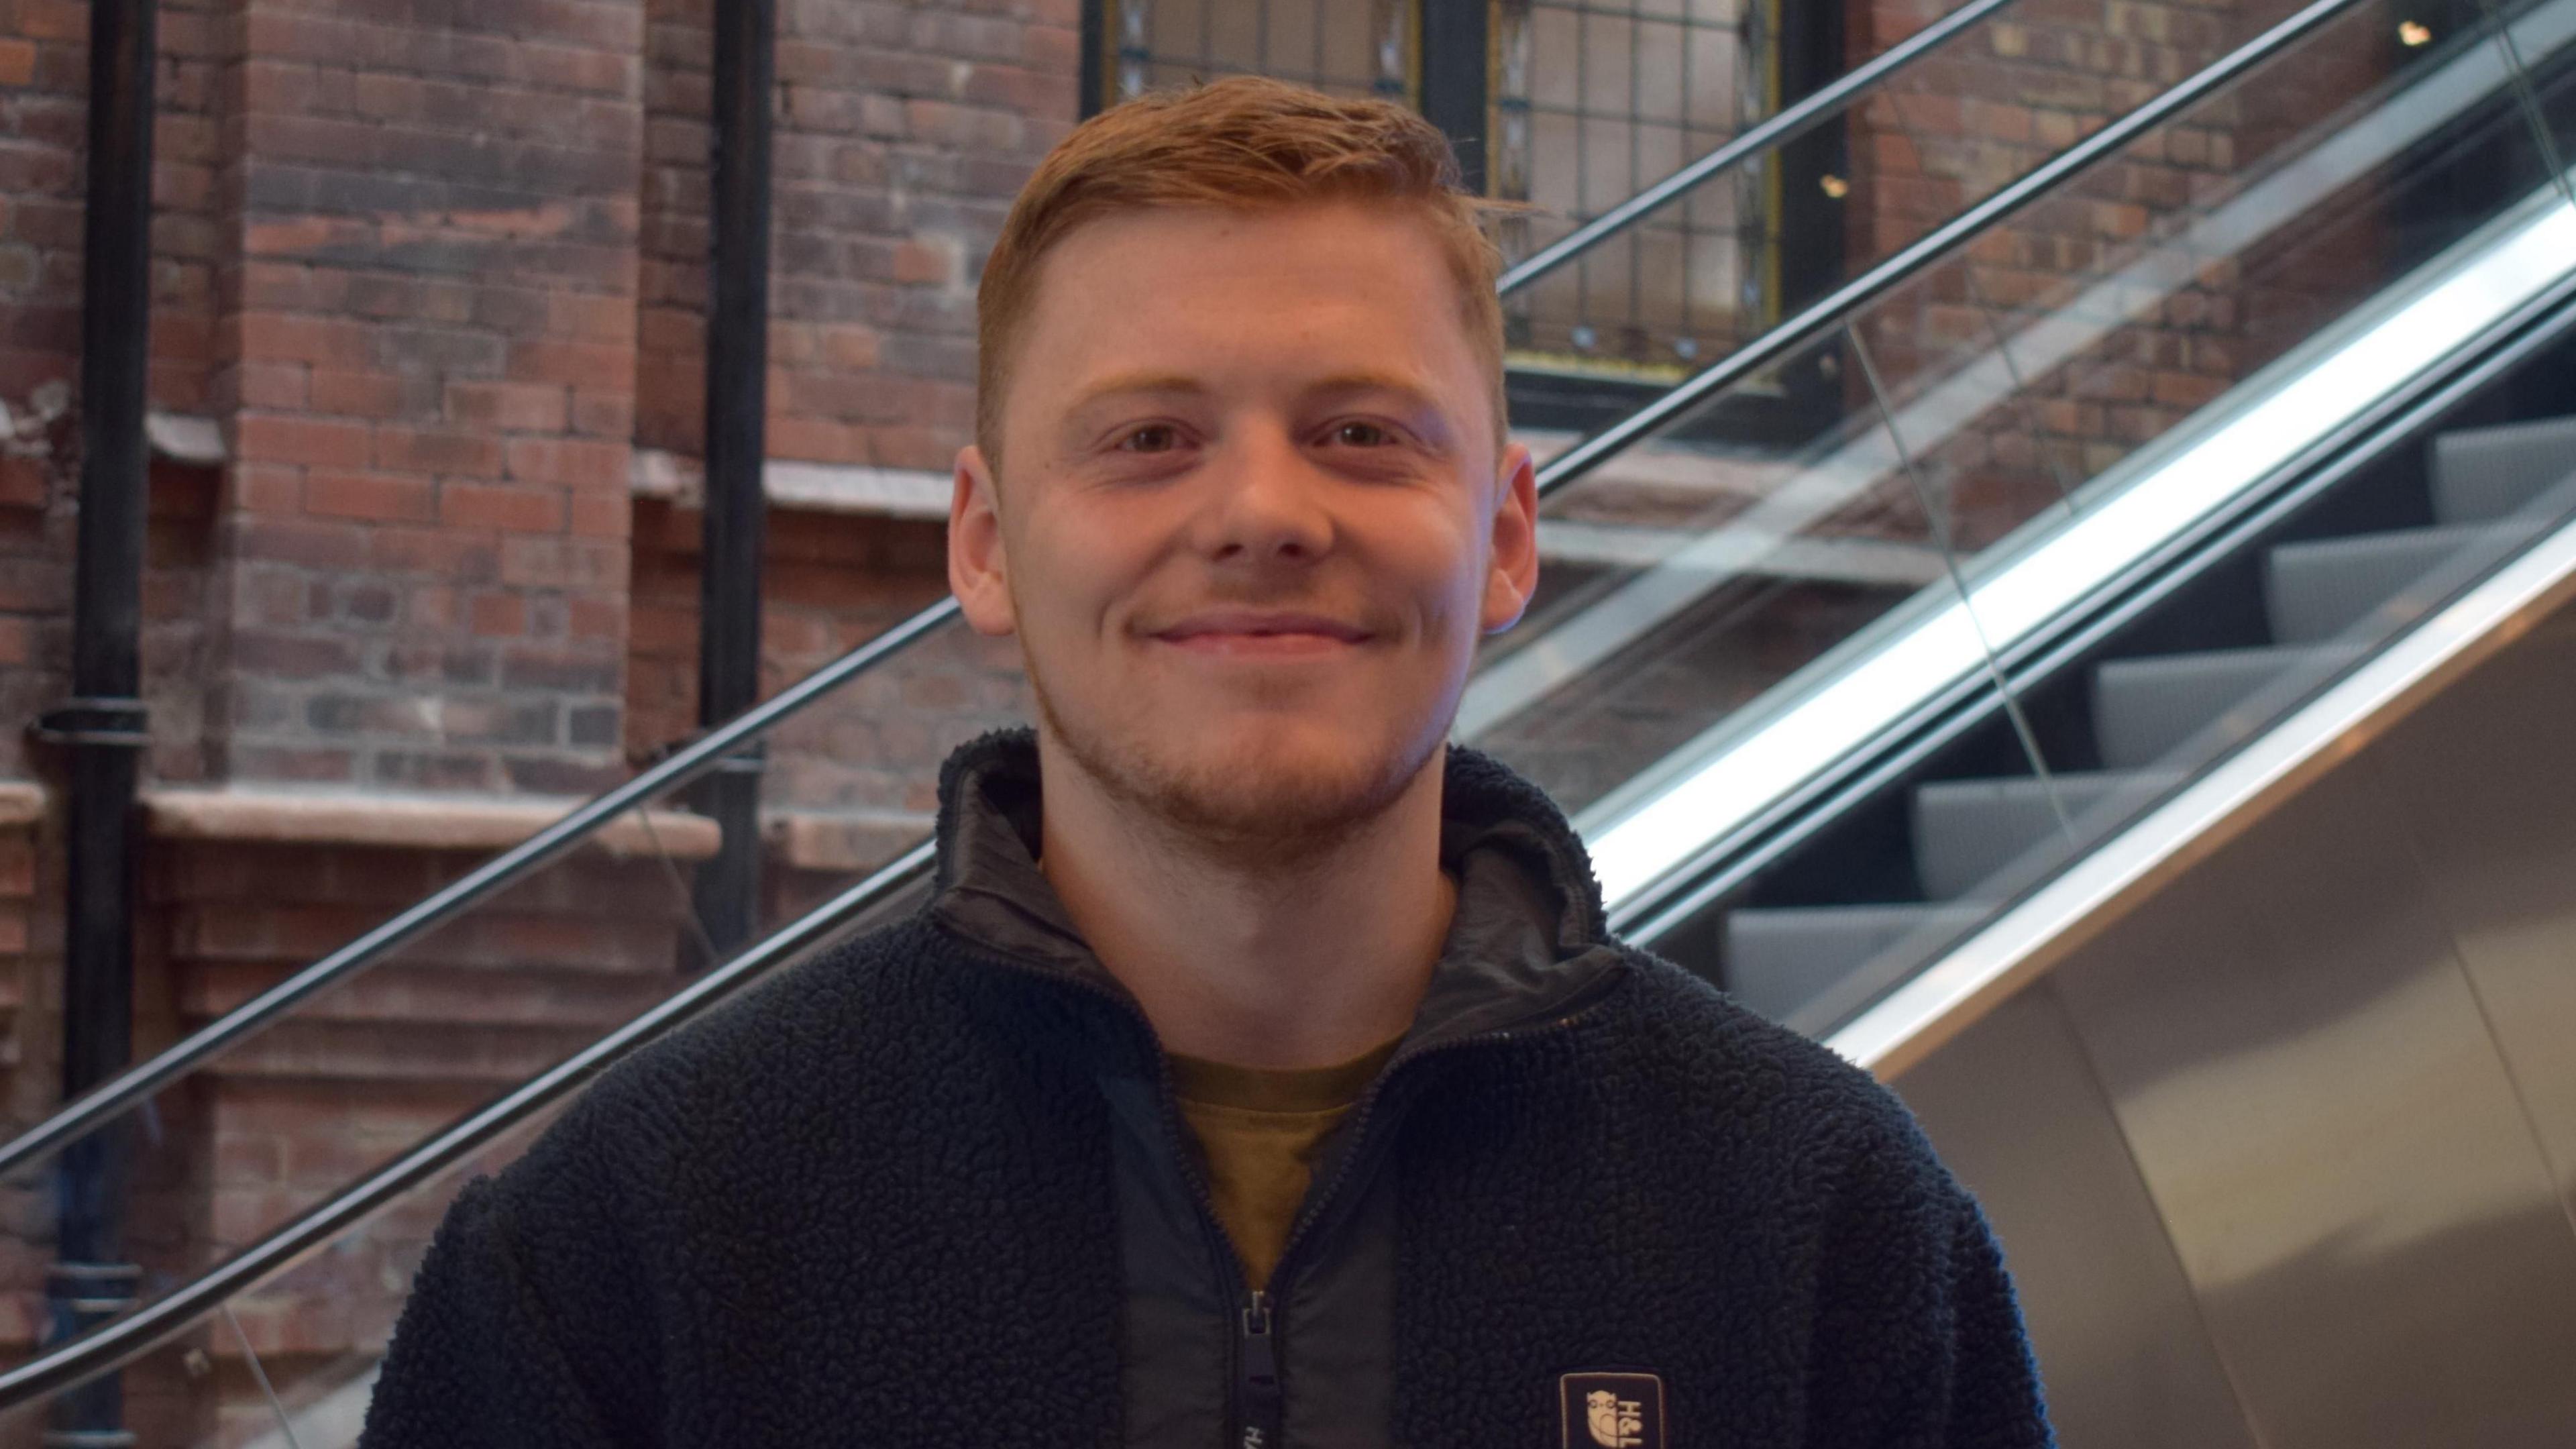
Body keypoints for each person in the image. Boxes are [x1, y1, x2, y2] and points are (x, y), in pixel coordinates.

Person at [360, 76, 2052, 1449]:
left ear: (1508, 537)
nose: (1260, 513)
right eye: (1149, 438)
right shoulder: (634, 1253)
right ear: (988, 543)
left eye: (1362, 433)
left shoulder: (1825, 1231)